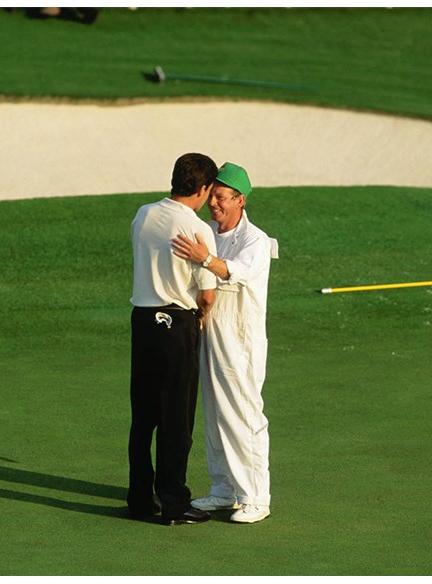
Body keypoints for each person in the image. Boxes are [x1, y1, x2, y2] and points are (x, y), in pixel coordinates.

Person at [171, 162, 276, 524]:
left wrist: (206, 259)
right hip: (210, 334)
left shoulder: (255, 241)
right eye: (211, 195)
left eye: (220, 197)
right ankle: (223, 490)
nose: (213, 203)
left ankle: (256, 496)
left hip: (241, 341)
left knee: (244, 415)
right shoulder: (210, 234)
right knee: (215, 415)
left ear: (240, 200)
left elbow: (238, 272)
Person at [128, 152, 220, 525]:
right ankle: (174, 502)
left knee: (144, 417)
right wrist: (200, 315)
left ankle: (138, 498)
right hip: (177, 326)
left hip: (143, 322)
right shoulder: (198, 229)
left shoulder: (144, 214)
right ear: (203, 188)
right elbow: (208, 293)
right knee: (176, 419)